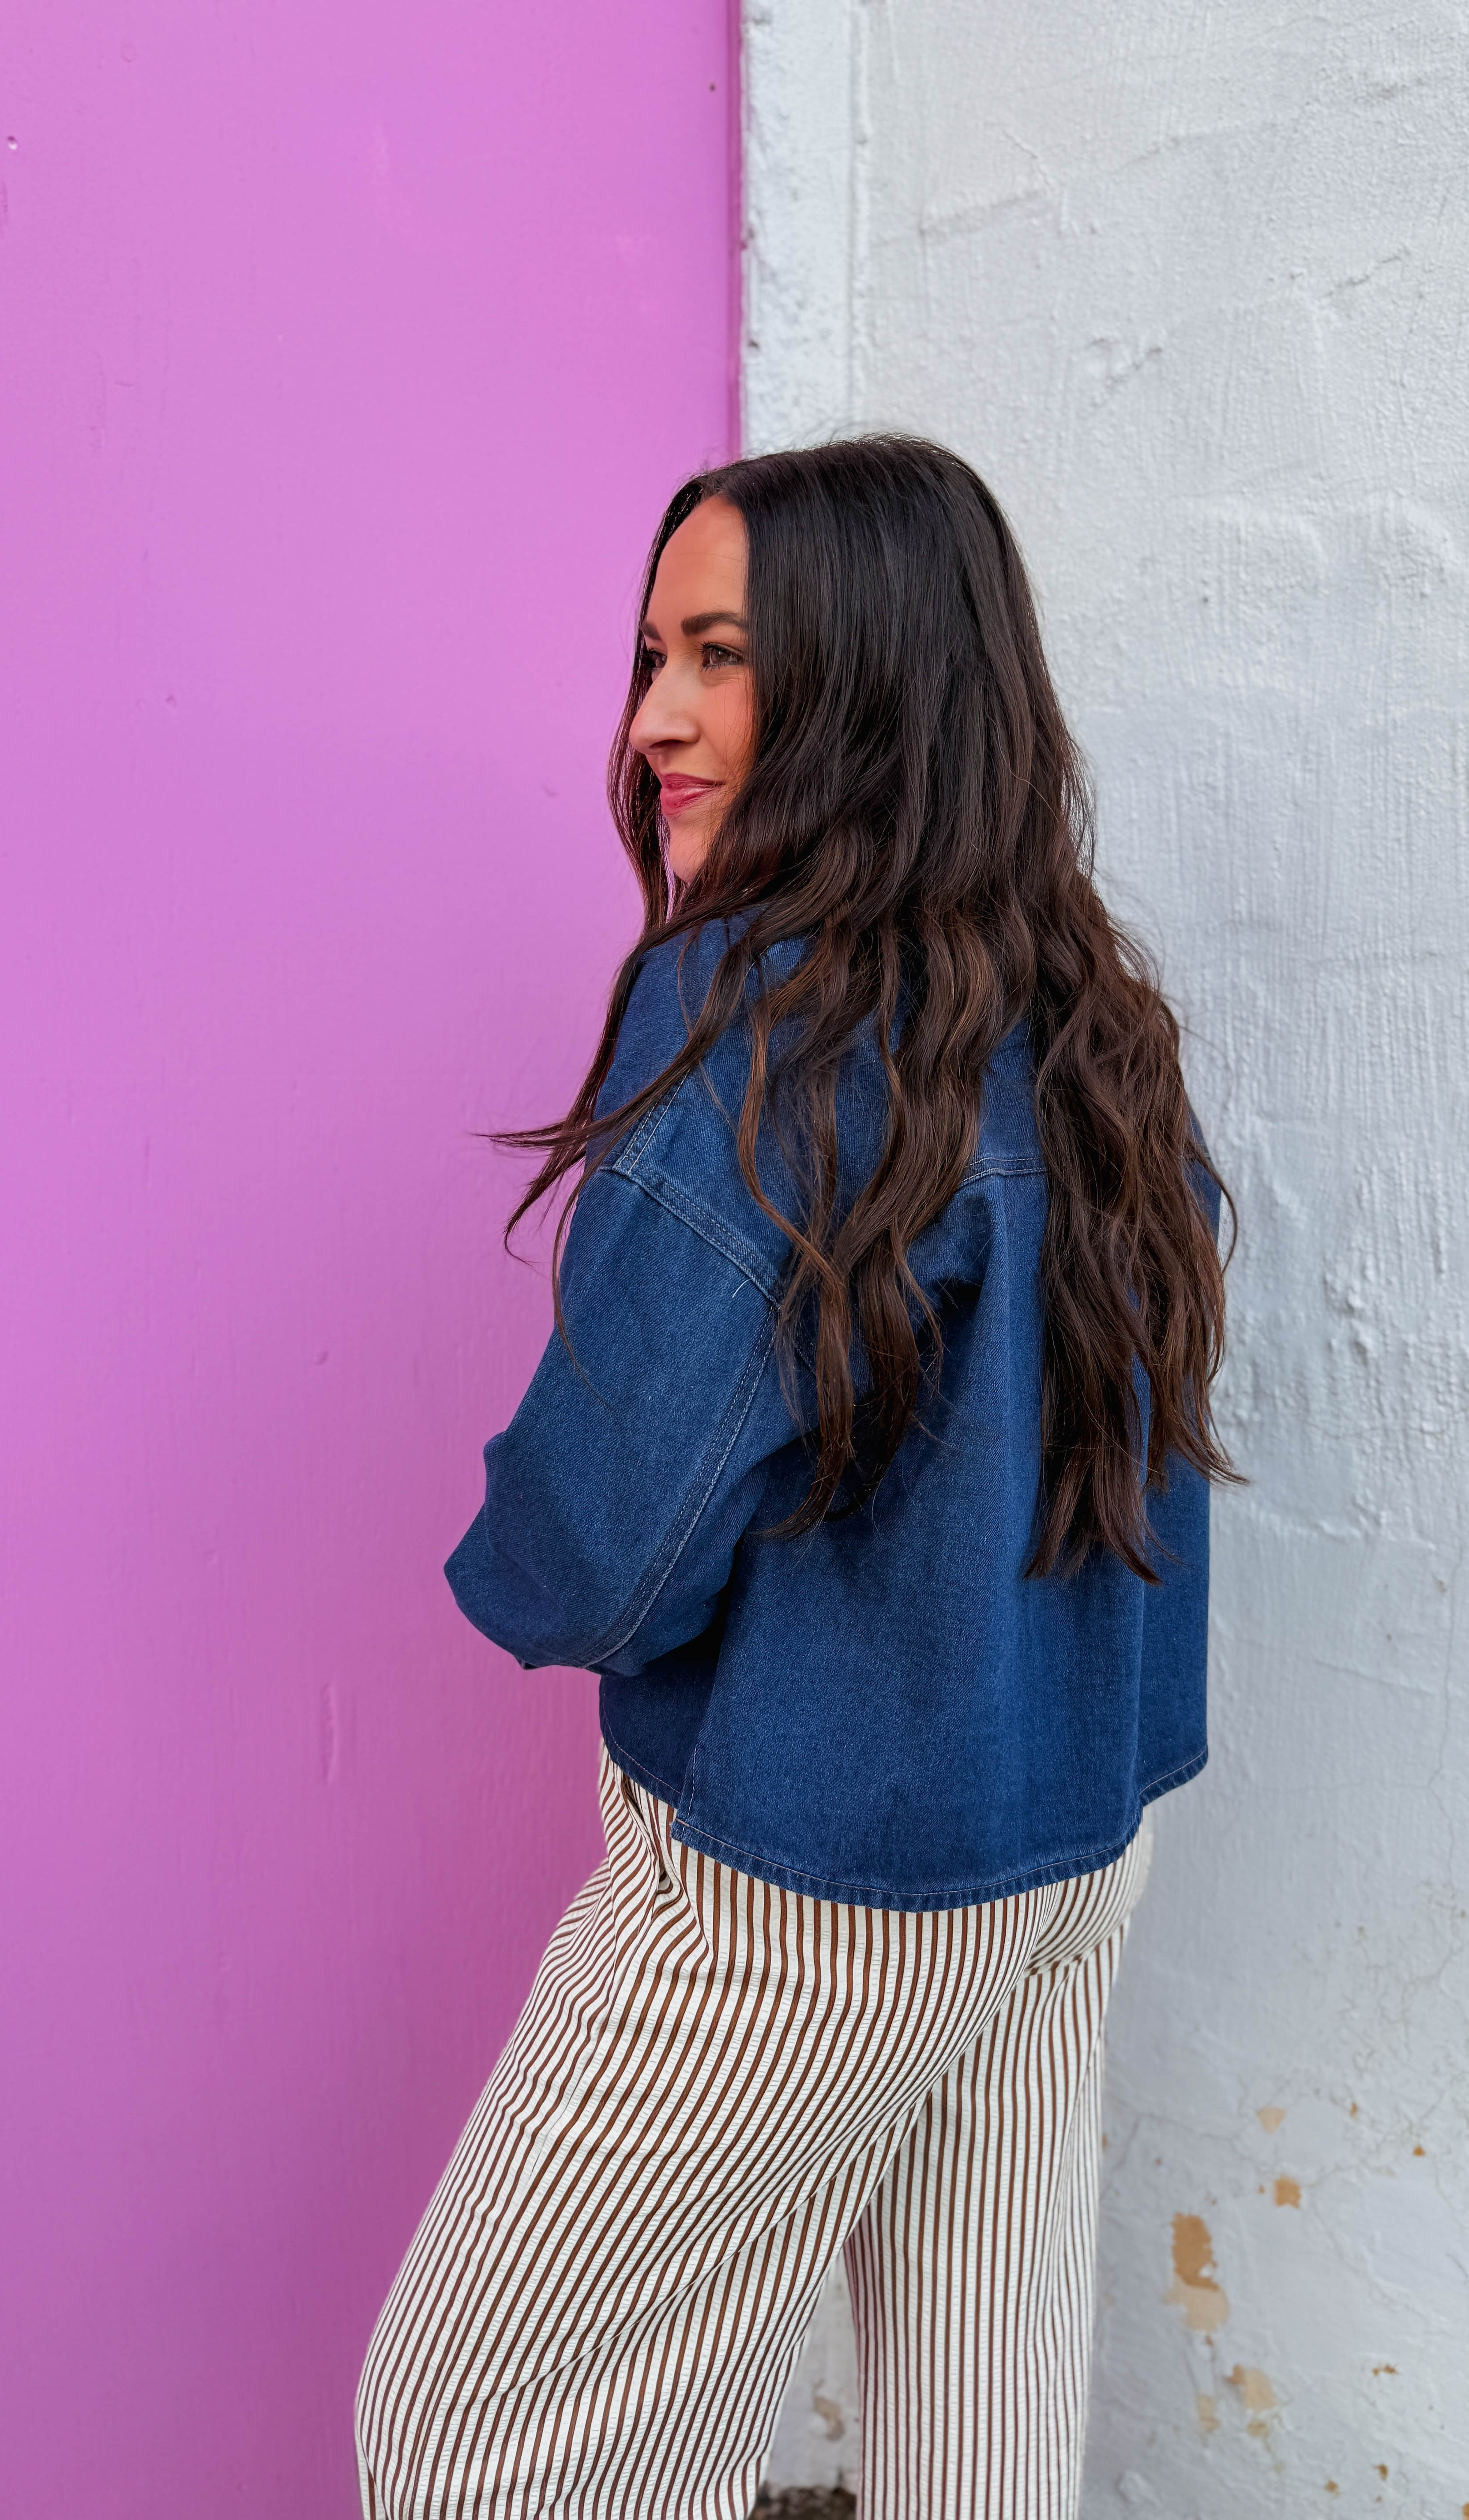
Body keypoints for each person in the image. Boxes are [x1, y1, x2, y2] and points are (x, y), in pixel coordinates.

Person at [354, 437, 1232, 2520]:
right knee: (974, 2439)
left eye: (721, 657)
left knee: (469, 2441)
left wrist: (533, 1554)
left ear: (874, 680)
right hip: (1064, 1843)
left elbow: (600, 1542)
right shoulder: (1091, 1024)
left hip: (802, 1877)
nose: (654, 719)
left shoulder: (765, 1020)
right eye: (651, 656)